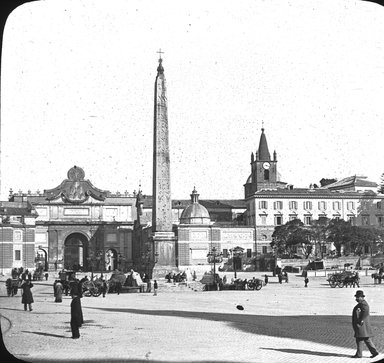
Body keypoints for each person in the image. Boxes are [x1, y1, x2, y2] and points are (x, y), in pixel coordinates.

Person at [351, 290, 379, 358]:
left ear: (361, 297)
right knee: (366, 339)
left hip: (361, 325)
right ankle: (374, 352)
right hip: (362, 325)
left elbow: (365, 312)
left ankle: (359, 354)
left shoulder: (363, 304)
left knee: (359, 338)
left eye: (358, 297)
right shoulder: (361, 303)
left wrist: (361, 320)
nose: (356, 299)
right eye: (356, 297)